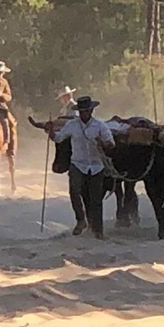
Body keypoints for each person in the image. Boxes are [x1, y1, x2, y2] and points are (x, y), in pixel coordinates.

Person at [58, 95, 115, 239]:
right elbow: (59, 137)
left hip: (96, 165)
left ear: (91, 111)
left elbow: (111, 143)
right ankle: (81, 220)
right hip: (78, 163)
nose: (84, 113)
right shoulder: (72, 125)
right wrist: (52, 132)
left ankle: (98, 230)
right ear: (79, 112)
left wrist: (103, 143)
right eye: (82, 111)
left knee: (96, 199)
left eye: (87, 111)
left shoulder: (100, 126)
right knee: (74, 190)